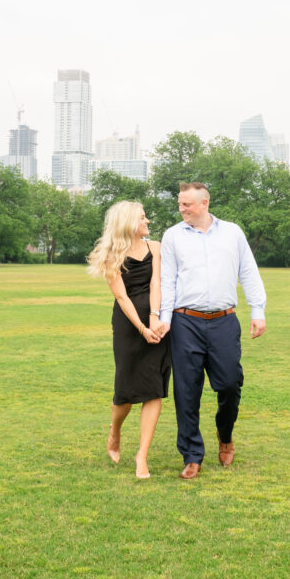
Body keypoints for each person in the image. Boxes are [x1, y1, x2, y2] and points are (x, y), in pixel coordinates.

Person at [156, 182, 266, 479]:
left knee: (230, 383)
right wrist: (165, 318)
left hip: (224, 321)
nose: (182, 209)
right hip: (185, 322)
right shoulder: (172, 236)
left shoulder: (233, 233)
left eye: (187, 205)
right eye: (180, 204)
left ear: (204, 204)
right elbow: (168, 280)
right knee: (186, 390)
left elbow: (249, 272)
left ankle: (225, 433)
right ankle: (192, 455)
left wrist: (258, 310)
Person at [87, 201, 171, 479]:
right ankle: (115, 432)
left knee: (154, 387)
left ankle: (142, 456)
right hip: (127, 324)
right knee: (125, 389)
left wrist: (155, 319)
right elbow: (122, 297)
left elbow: (156, 282)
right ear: (128, 223)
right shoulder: (112, 255)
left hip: (155, 321)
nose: (148, 221)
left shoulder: (155, 247)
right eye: (143, 217)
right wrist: (141, 327)